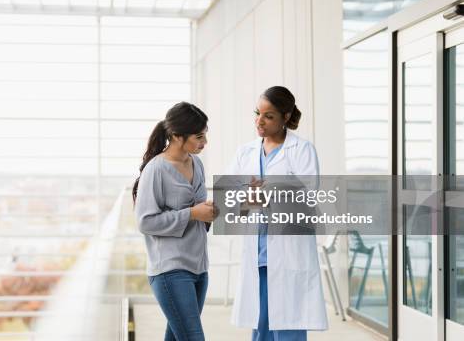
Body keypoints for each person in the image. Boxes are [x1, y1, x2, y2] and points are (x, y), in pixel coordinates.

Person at [228, 86, 328, 341]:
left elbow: (308, 197)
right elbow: (233, 198)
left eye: (268, 116)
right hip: (258, 253)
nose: (259, 121)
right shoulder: (245, 152)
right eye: (257, 113)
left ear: (285, 117)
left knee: (288, 325)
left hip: (288, 250)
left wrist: (268, 193)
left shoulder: (302, 150)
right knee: (261, 325)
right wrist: (248, 199)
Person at [133, 101, 216, 341]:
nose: (204, 143)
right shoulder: (156, 169)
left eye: (205, 135)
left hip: (199, 267)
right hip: (170, 270)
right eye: (199, 136)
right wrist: (192, 213)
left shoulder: (196, 163)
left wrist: (211, 212)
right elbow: (145, 222)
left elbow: (200, 212)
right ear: (178, 136)